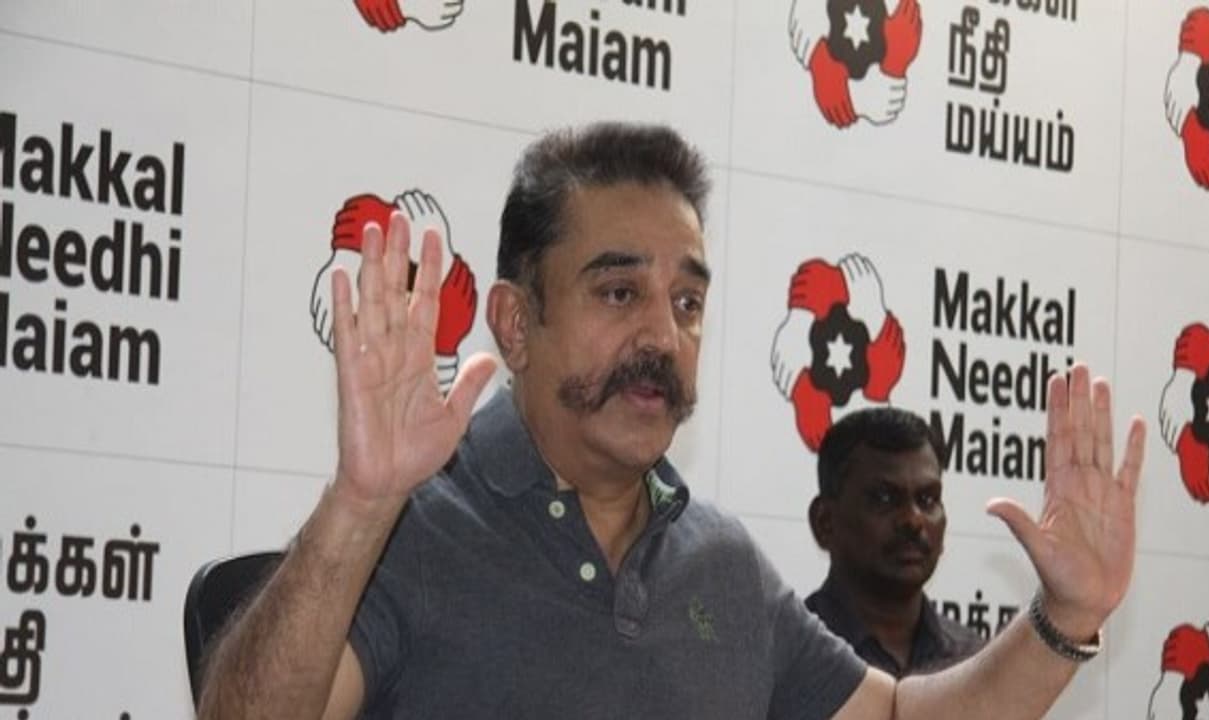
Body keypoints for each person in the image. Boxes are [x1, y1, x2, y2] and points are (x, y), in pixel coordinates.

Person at [197, 122, 1147, 719]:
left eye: (687, 303)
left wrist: (1067, 616)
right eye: (619, 292)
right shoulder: (412, 530)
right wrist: (362, 503)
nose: (663, 335)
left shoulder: (719, 562)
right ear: (516, 324)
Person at [806, 407, 984, 677]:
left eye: (927, 500)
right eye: (884, 499)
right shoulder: (784, 654)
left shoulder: (973, 662)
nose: (913, 520)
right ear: (825, 522)